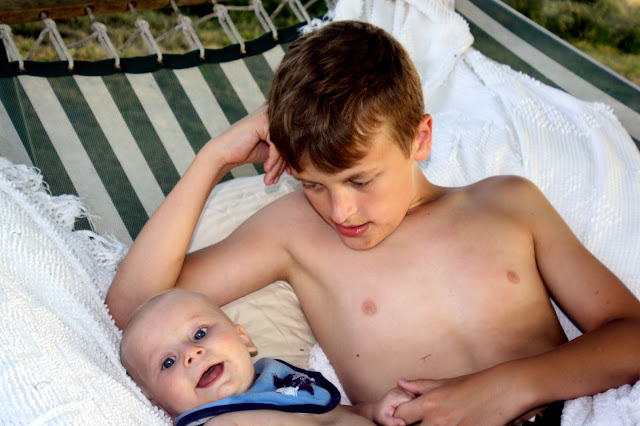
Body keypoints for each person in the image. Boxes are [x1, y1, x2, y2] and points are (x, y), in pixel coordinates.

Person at [107, 20, 640, 425]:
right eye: (313, 184)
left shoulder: (507, 204)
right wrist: (213, 159)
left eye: (361, 181)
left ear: (420, 139)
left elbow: (631, 335)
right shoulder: (296, 233)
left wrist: (510, 386)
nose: (341, 212)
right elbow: (136, 311)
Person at [120, 288, 409, 425]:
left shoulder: (282, 383)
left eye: (200, 334)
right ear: (158, 404)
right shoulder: (218, 423)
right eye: (168, 362)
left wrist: (372, 412)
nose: (191, 354)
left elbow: (330, 413)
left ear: (244, 339)